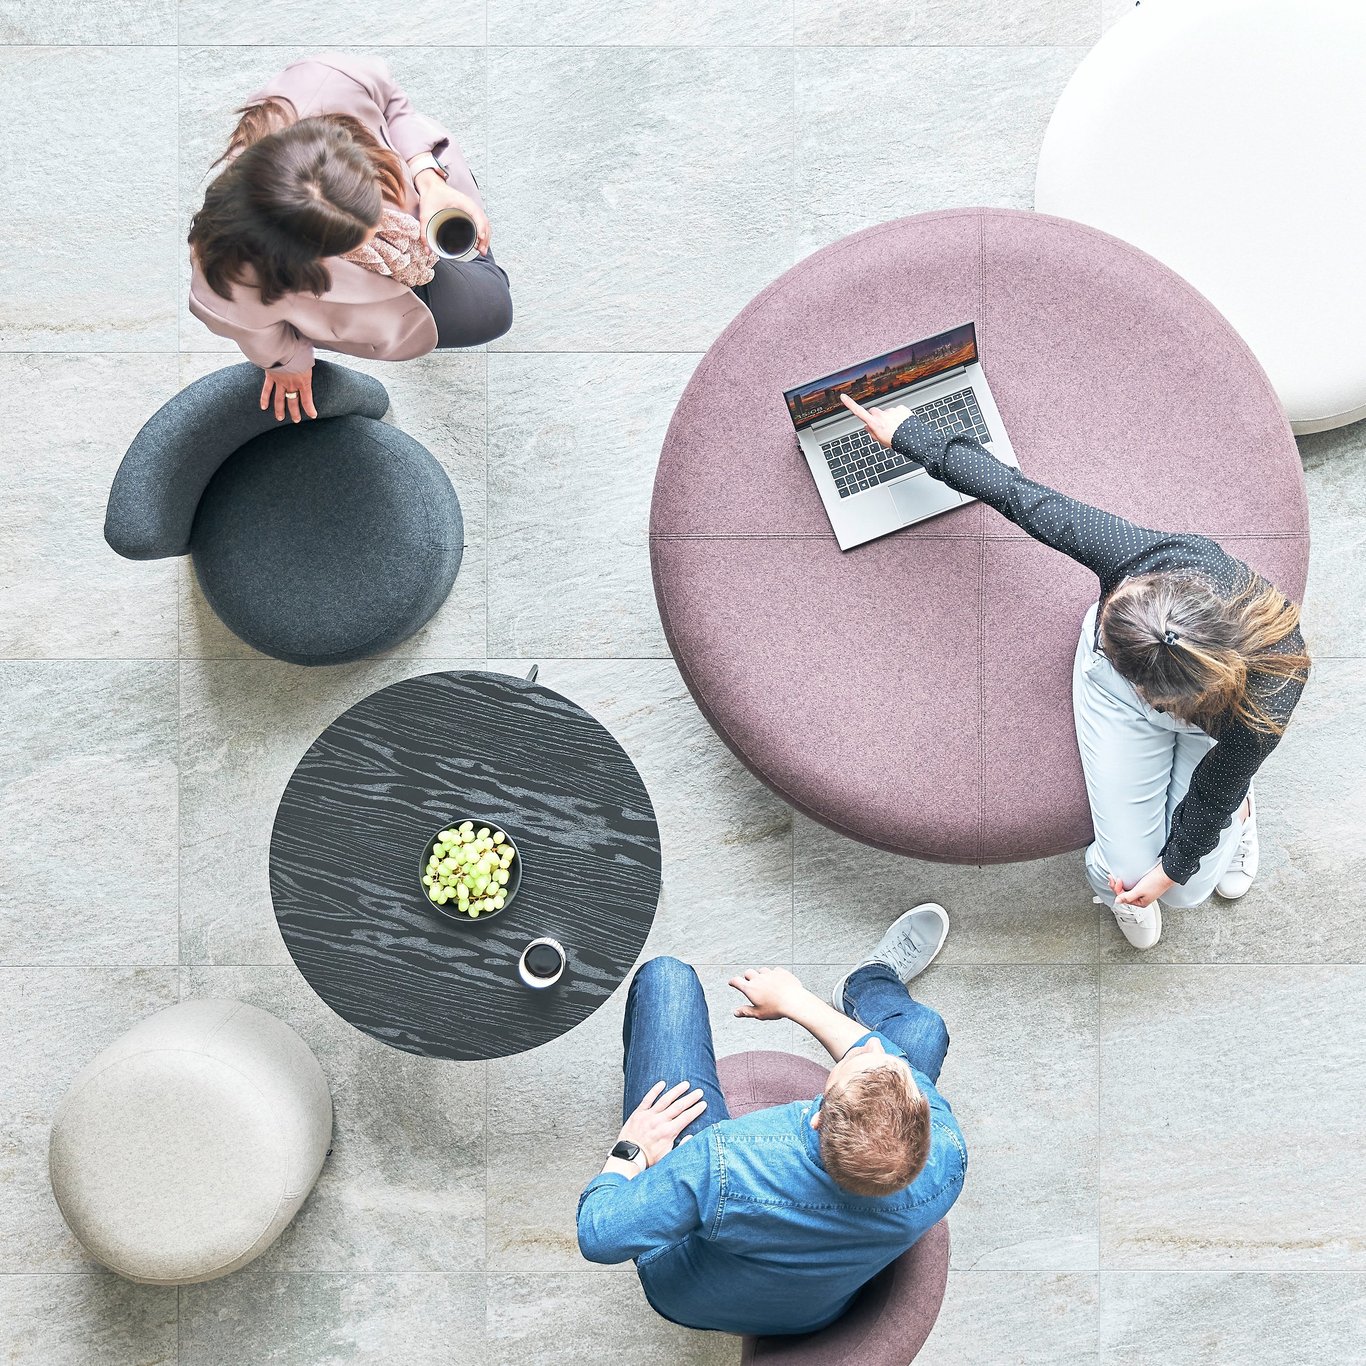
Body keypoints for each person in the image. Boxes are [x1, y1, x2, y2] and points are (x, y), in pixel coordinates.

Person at [841, 394, 1311, 950]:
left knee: (1183, 889)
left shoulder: (1272, 688)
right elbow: (1025, 498)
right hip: (1120, 700)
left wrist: (1175, 868)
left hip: (1215, 728)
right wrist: (913, 436)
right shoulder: (1150, 560)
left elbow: (1212, 793)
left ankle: (1244, 809)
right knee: (1132, 877)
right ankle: (1114, 881)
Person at [576, 905, 966, 1337]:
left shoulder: (725, 1161)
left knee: (666, 978)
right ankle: (869, 981)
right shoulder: (948, 1151)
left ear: (818, 1118)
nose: (873, 1049)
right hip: (813, 1310)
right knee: (924, 1029)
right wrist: (796, 1002)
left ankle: (644, 1073)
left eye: (854, 1062)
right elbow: (882, 1053)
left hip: (689, 1288)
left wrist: (631, 1151)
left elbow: (599, 1235)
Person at [187, 53, 512, 423]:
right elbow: (248, 325)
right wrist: (285, 363)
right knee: (494, 312)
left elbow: (392, 102)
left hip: (422, 190)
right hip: (364, 303)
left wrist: (427, 176)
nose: (382, 231)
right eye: (354, 239)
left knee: (480, 278)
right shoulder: (228, 271)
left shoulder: (326, 80)